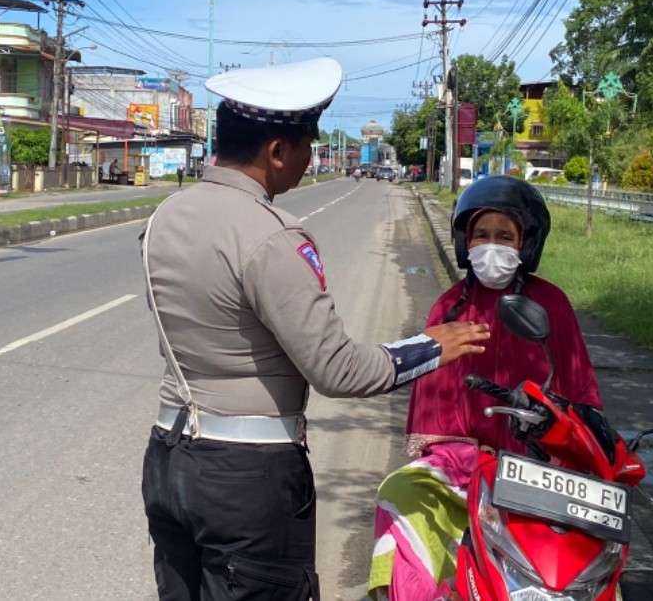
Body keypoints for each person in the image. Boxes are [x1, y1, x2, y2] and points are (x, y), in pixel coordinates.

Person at [140, 56, 491, 601]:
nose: (311, 158)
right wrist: (431, 347)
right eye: (307, 144)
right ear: (277, 151)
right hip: (247, 477)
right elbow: (339, 370)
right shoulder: (272, 234)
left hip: (168, 462)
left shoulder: (165, 216)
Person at [369, 175, 602, 600]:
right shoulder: (448, 306)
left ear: (524, 244)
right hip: (463, 463)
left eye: (503, 236)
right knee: (399, 491)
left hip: (541, 466)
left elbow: (578, 386)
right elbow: (432, 407)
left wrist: (563, 430)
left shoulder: (552, 304)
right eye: (481, 235)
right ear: (465, 242)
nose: (491, 245)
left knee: (596, 543)